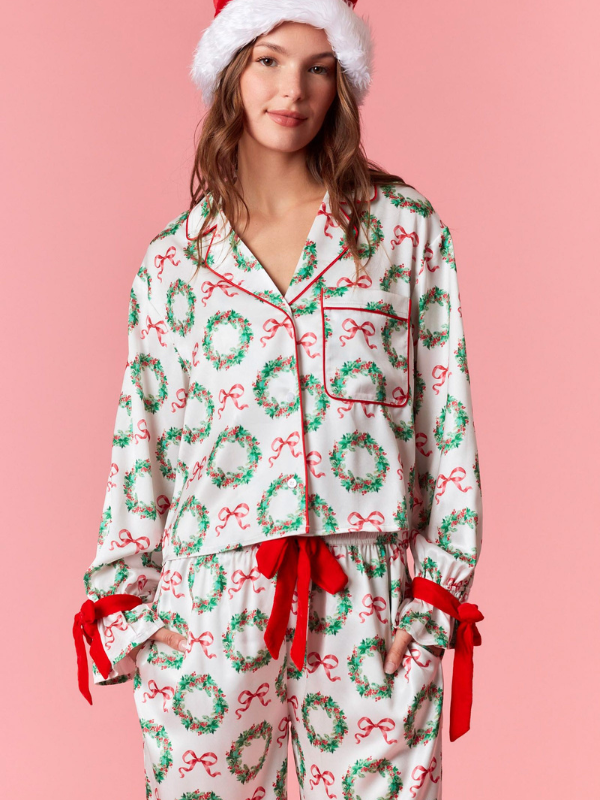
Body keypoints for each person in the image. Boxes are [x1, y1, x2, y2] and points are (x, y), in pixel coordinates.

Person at [73, 0, 484, 797]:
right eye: (267, 60)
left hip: (371, 606)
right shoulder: (174, 264)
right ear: (231, 69)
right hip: (211, 615)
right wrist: (134, 617)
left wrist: (431, 606)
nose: (291, 89)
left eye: (317, 67)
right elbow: (142, 444)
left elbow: (447, 419)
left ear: (342, 84)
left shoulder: (403, 233)